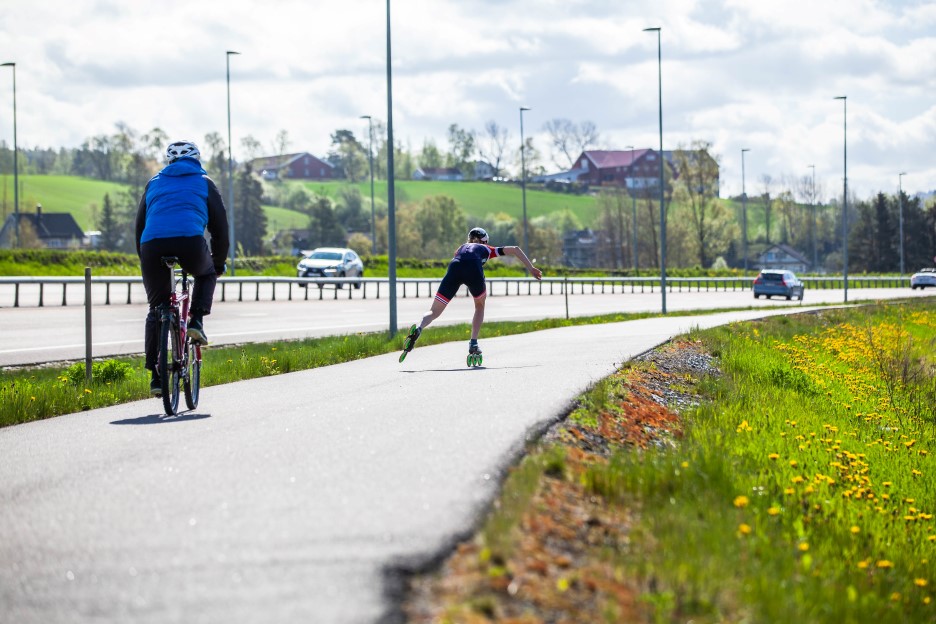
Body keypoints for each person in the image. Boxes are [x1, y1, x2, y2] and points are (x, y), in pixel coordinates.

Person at [136, 140, 229, 395]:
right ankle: (196, 321)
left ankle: (155, 375)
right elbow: (220, 229)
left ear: (169, 162)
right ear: (197, 160)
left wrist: (144, 258)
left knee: (157, 309)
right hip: (189, 241)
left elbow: (140, 225)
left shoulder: (154, 183)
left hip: (151, 245)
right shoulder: (205, 182)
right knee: (206, 273)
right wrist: (218, 263)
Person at [401, 227, 542, 360]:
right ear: (485, 241)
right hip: (473, 268)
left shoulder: (460, 248)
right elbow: (515, 249)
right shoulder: (488, 248)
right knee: (479, 306)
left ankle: (419, 328)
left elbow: (461, 257)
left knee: (434, 311)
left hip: (455, 266)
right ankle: (473, 343)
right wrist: (531, 268)